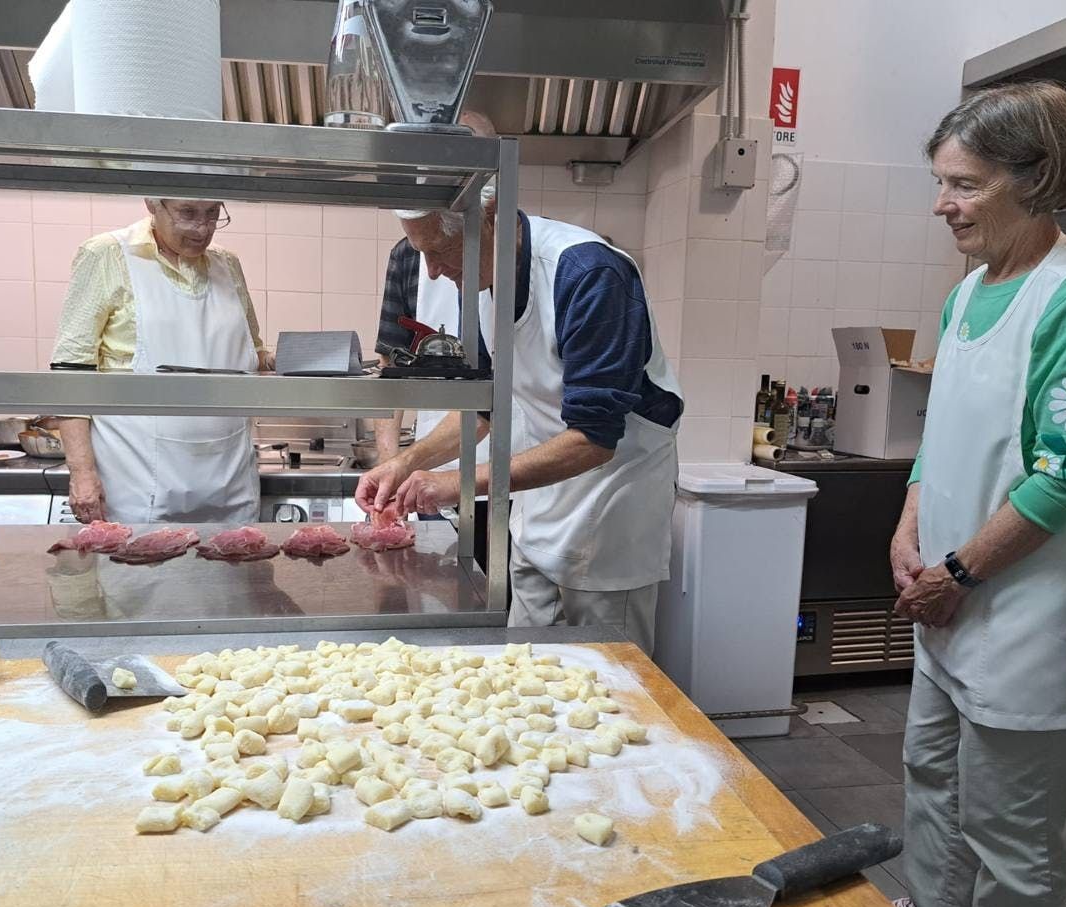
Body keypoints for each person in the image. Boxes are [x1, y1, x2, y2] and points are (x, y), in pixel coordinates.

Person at [889, 80, 1066, 907]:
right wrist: (907, 534)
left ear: (1037, 177)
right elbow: (939, 439)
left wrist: (956, 574)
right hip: (949, 598)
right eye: (942, 183)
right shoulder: (968, 291)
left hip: (1026, 612)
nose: (944, 205)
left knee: (1012, 837)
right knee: (934, 786)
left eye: (966, 184)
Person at [355, 183, 684, 654]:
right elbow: (490, 408)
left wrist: (457, 485)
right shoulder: (486, 281)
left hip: (610, 509)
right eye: (420, 252)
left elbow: (594, 438)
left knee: (611, 682)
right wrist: (406, 462)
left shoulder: (588, 274)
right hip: (538, 511)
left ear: (492, 216)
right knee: (525, 669)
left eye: (442, 250)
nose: (432, 270)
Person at [49, 198, 273, 525]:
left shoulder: (228, 264)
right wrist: (82, 473)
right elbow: (72, 371)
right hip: (138, 489)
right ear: (153, 204)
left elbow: (252, 351)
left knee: (232, 568)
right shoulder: (106, 255)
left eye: (213, 214)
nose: (202, 228)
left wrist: (300, 359)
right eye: (188, 213)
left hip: (231, 487)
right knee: (141, 571)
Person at [372, 111, 499, 576]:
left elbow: (492, 403)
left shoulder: (520, 255)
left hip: (512, 471)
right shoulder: (405, 257)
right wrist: (393, 466)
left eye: (442, 251)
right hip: (430, 466)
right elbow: (389, 369)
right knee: (436, 592)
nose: (432, 269)